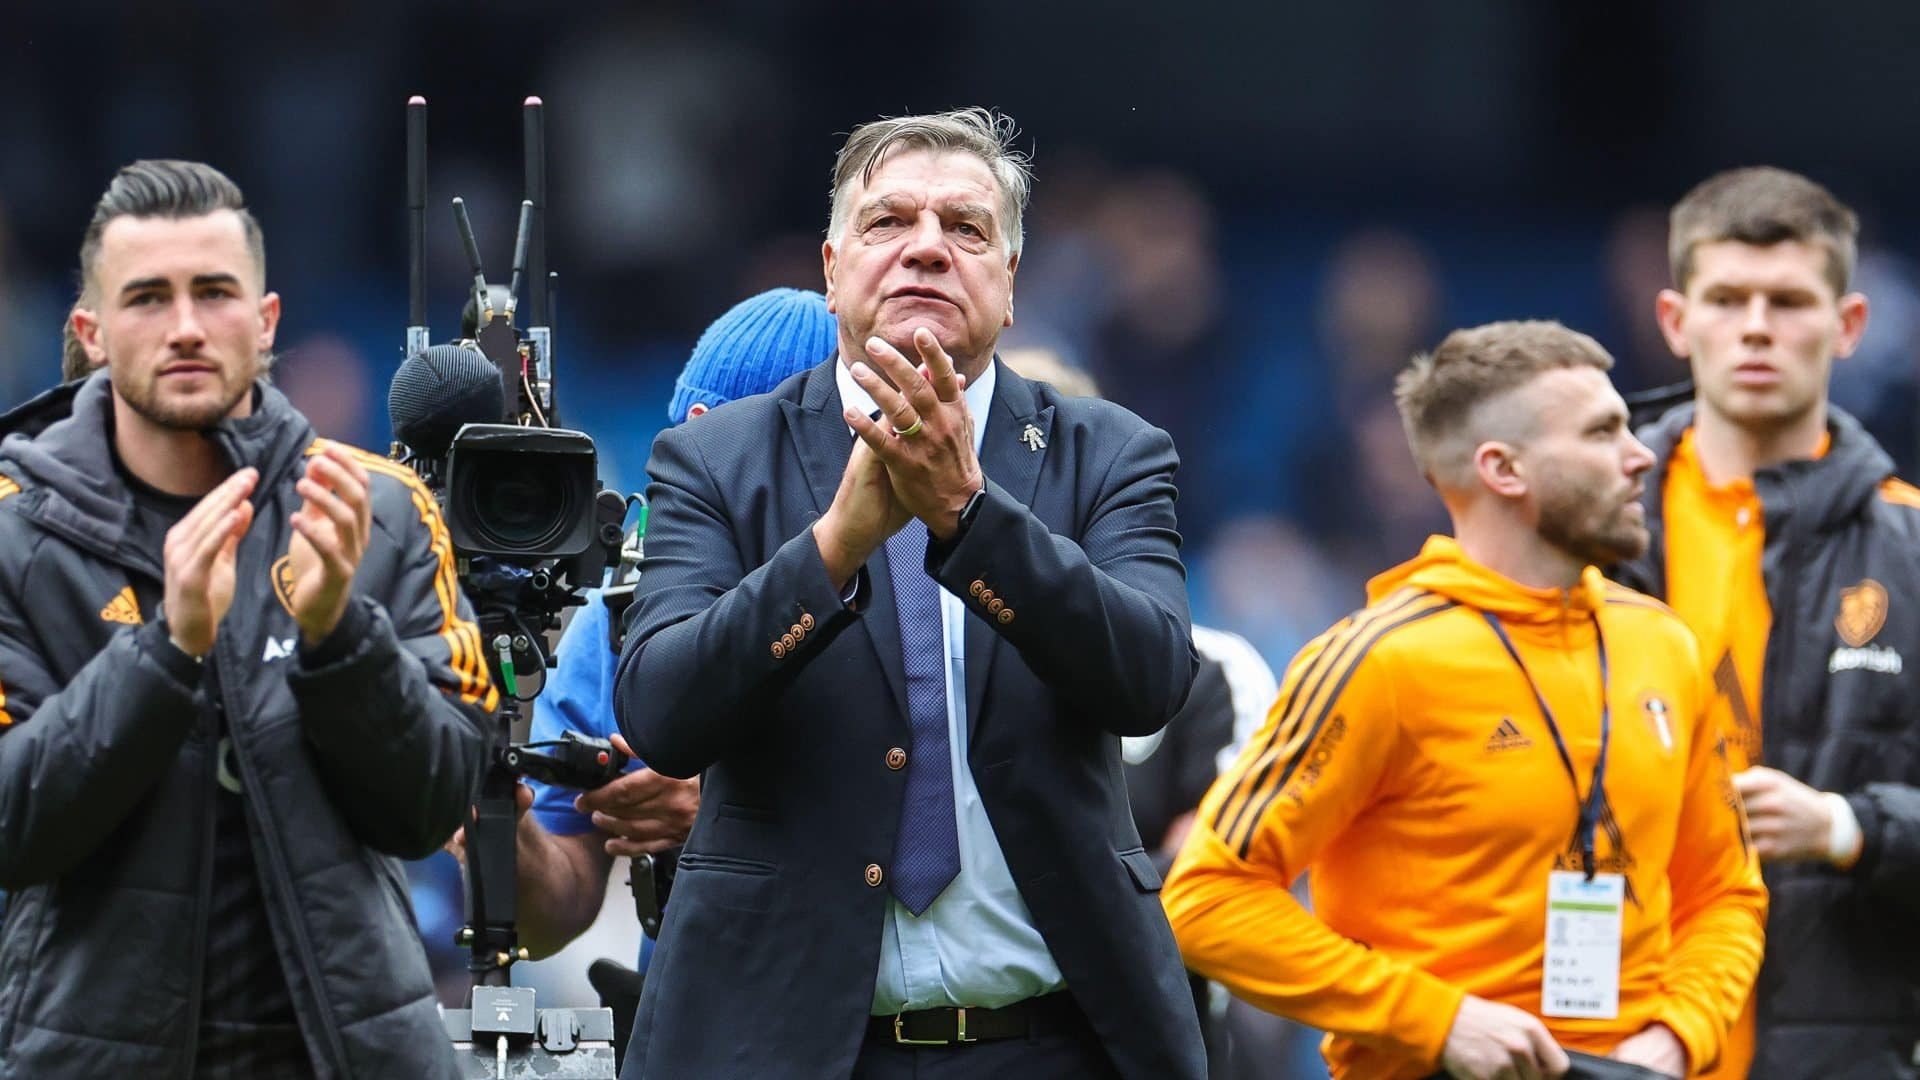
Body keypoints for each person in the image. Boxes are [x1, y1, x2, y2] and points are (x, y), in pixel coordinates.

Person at [614, 108, 1207, 1079]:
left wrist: (970, 517)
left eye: (966, 229)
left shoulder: (1111, 452)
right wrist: (837, 545)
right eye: (890, 222)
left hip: (1054, 1044)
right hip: (782, 1047)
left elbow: (1147, 679)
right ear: (833, 266)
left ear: (1010, 283)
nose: (927, 248)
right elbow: (663, 711)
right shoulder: (714, 457)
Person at [1164, 320, 1766, 1080]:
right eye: (1603, 432)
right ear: (1503, 469)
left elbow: (1727, 895)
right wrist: (1438, 1021)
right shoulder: (1381, 661)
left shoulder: (1667, 647)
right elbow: (1207, 900)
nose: (1641, 453)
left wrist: (1678, 1035)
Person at [0, 159, 495, 1077]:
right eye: (147, 297)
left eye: (214, 293)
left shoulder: (379, 511)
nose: (185, 327)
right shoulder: (8, 530)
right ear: (91, 332)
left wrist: (340, 633)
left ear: (264, 323)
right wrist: (165, 652)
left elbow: (432, 807)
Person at [1614, 166, 1920, 1079]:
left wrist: (1848, 826)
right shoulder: (1581, 535)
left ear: (1848, 325)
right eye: (1726, 298)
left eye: (1788, 300)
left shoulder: (1912, 547)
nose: (1755, 326)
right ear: (1675, 320)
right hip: (1612, 1037)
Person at [509, 287, 839, 964]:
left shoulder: (916, 597)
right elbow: (550, 919)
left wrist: (722, 809)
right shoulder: (621, 616)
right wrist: (497, 829)